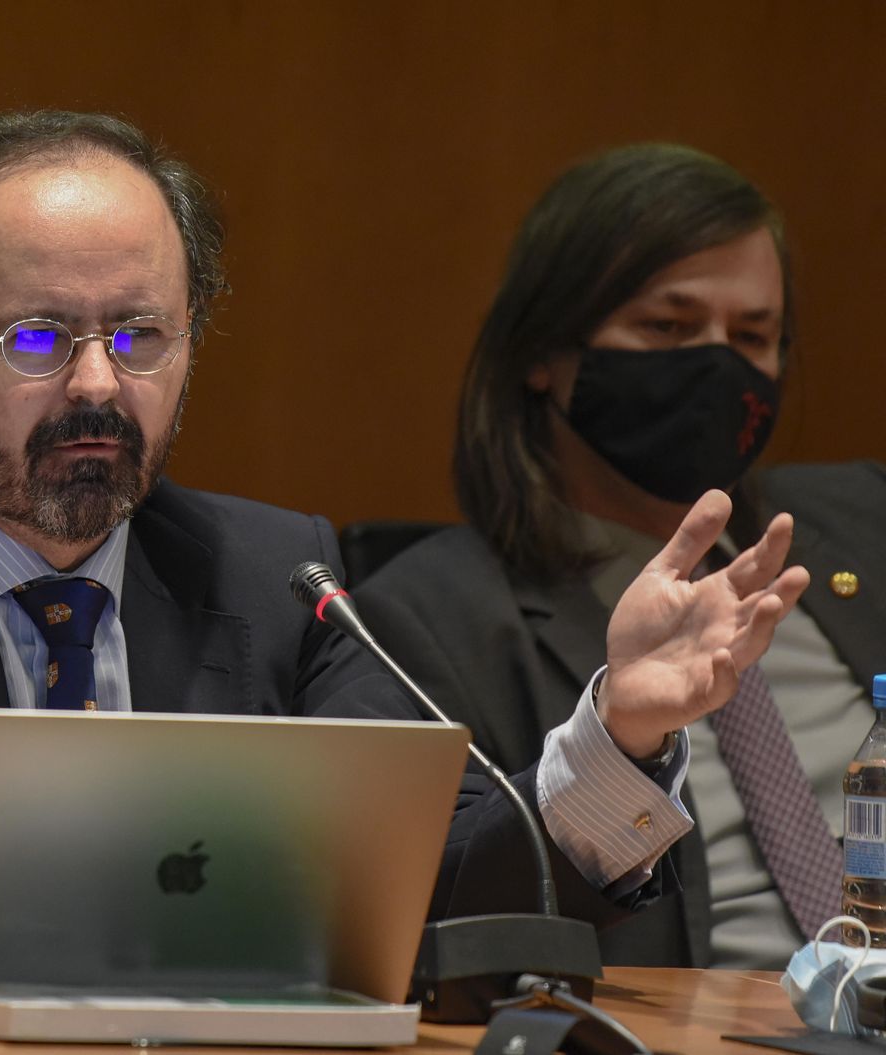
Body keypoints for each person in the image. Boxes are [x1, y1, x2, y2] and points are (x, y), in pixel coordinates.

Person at [0, 114, 809, 964]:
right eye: (33, 340)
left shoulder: (275, 577)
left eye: (141, 337)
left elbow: (446, 890)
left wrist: (625, 729)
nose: (94, 385)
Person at [355, 143, 886, 970]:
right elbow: (433, 928)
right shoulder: (428, 620)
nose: (716, 363)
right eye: (667, 327)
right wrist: (621, 739)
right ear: (543, 353)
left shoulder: (866, 521)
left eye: (753, 335)